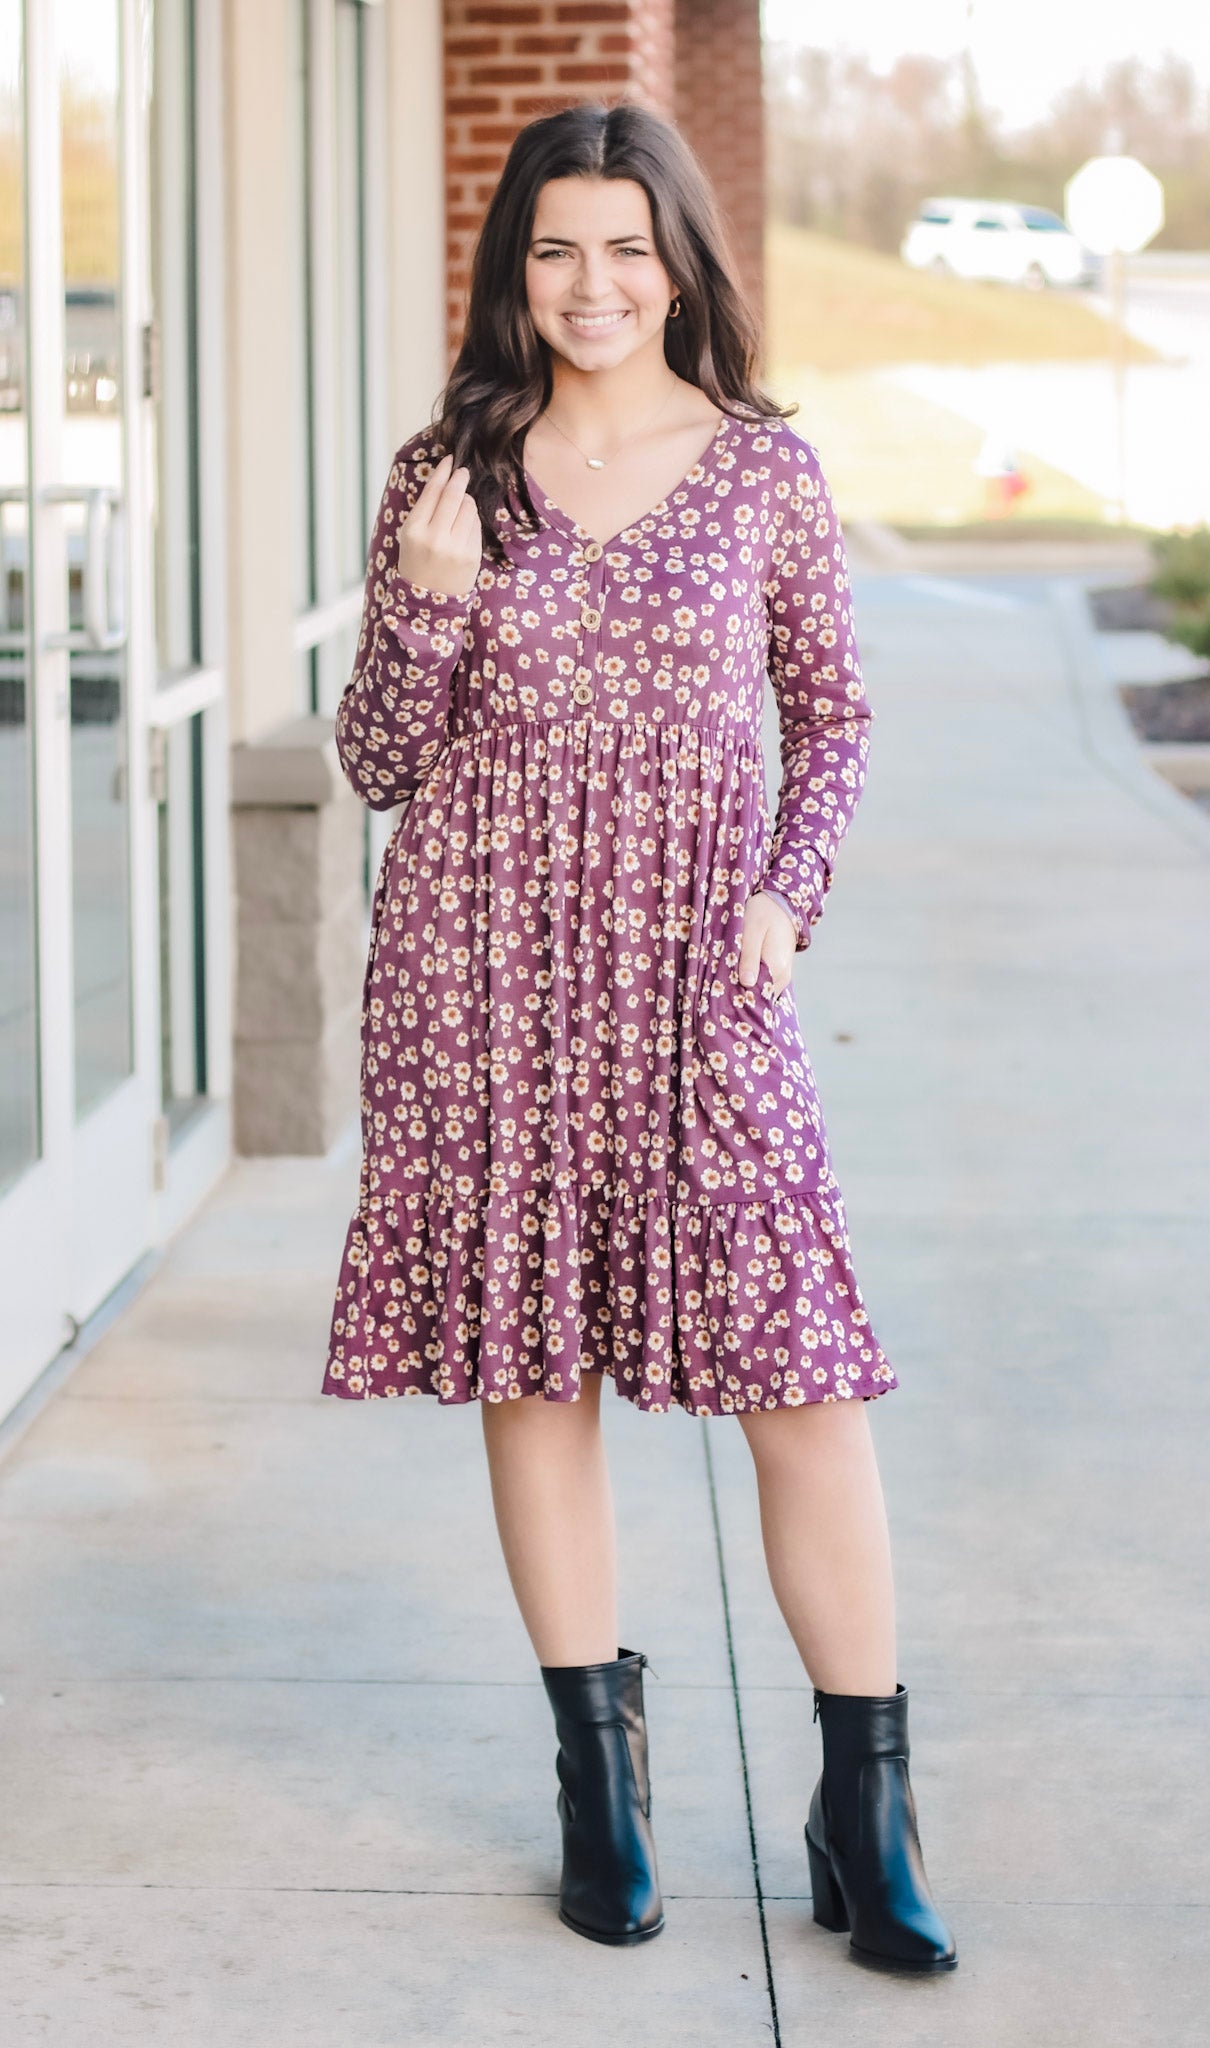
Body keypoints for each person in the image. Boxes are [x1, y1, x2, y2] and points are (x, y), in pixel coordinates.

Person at [321, 101, 957, 1975]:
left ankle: (866, 1809)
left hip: (698, 973)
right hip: (480, 977)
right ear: (511, 269)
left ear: (678, 262)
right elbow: (376, 762)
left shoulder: (761, 469)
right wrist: (429, 606)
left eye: (624, 247)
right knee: (536, 1369)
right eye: (553, 250)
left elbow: (832, 718)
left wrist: (782, 898)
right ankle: (598, 1783)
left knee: (800, 1381)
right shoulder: (447, 471)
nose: (589, 286)